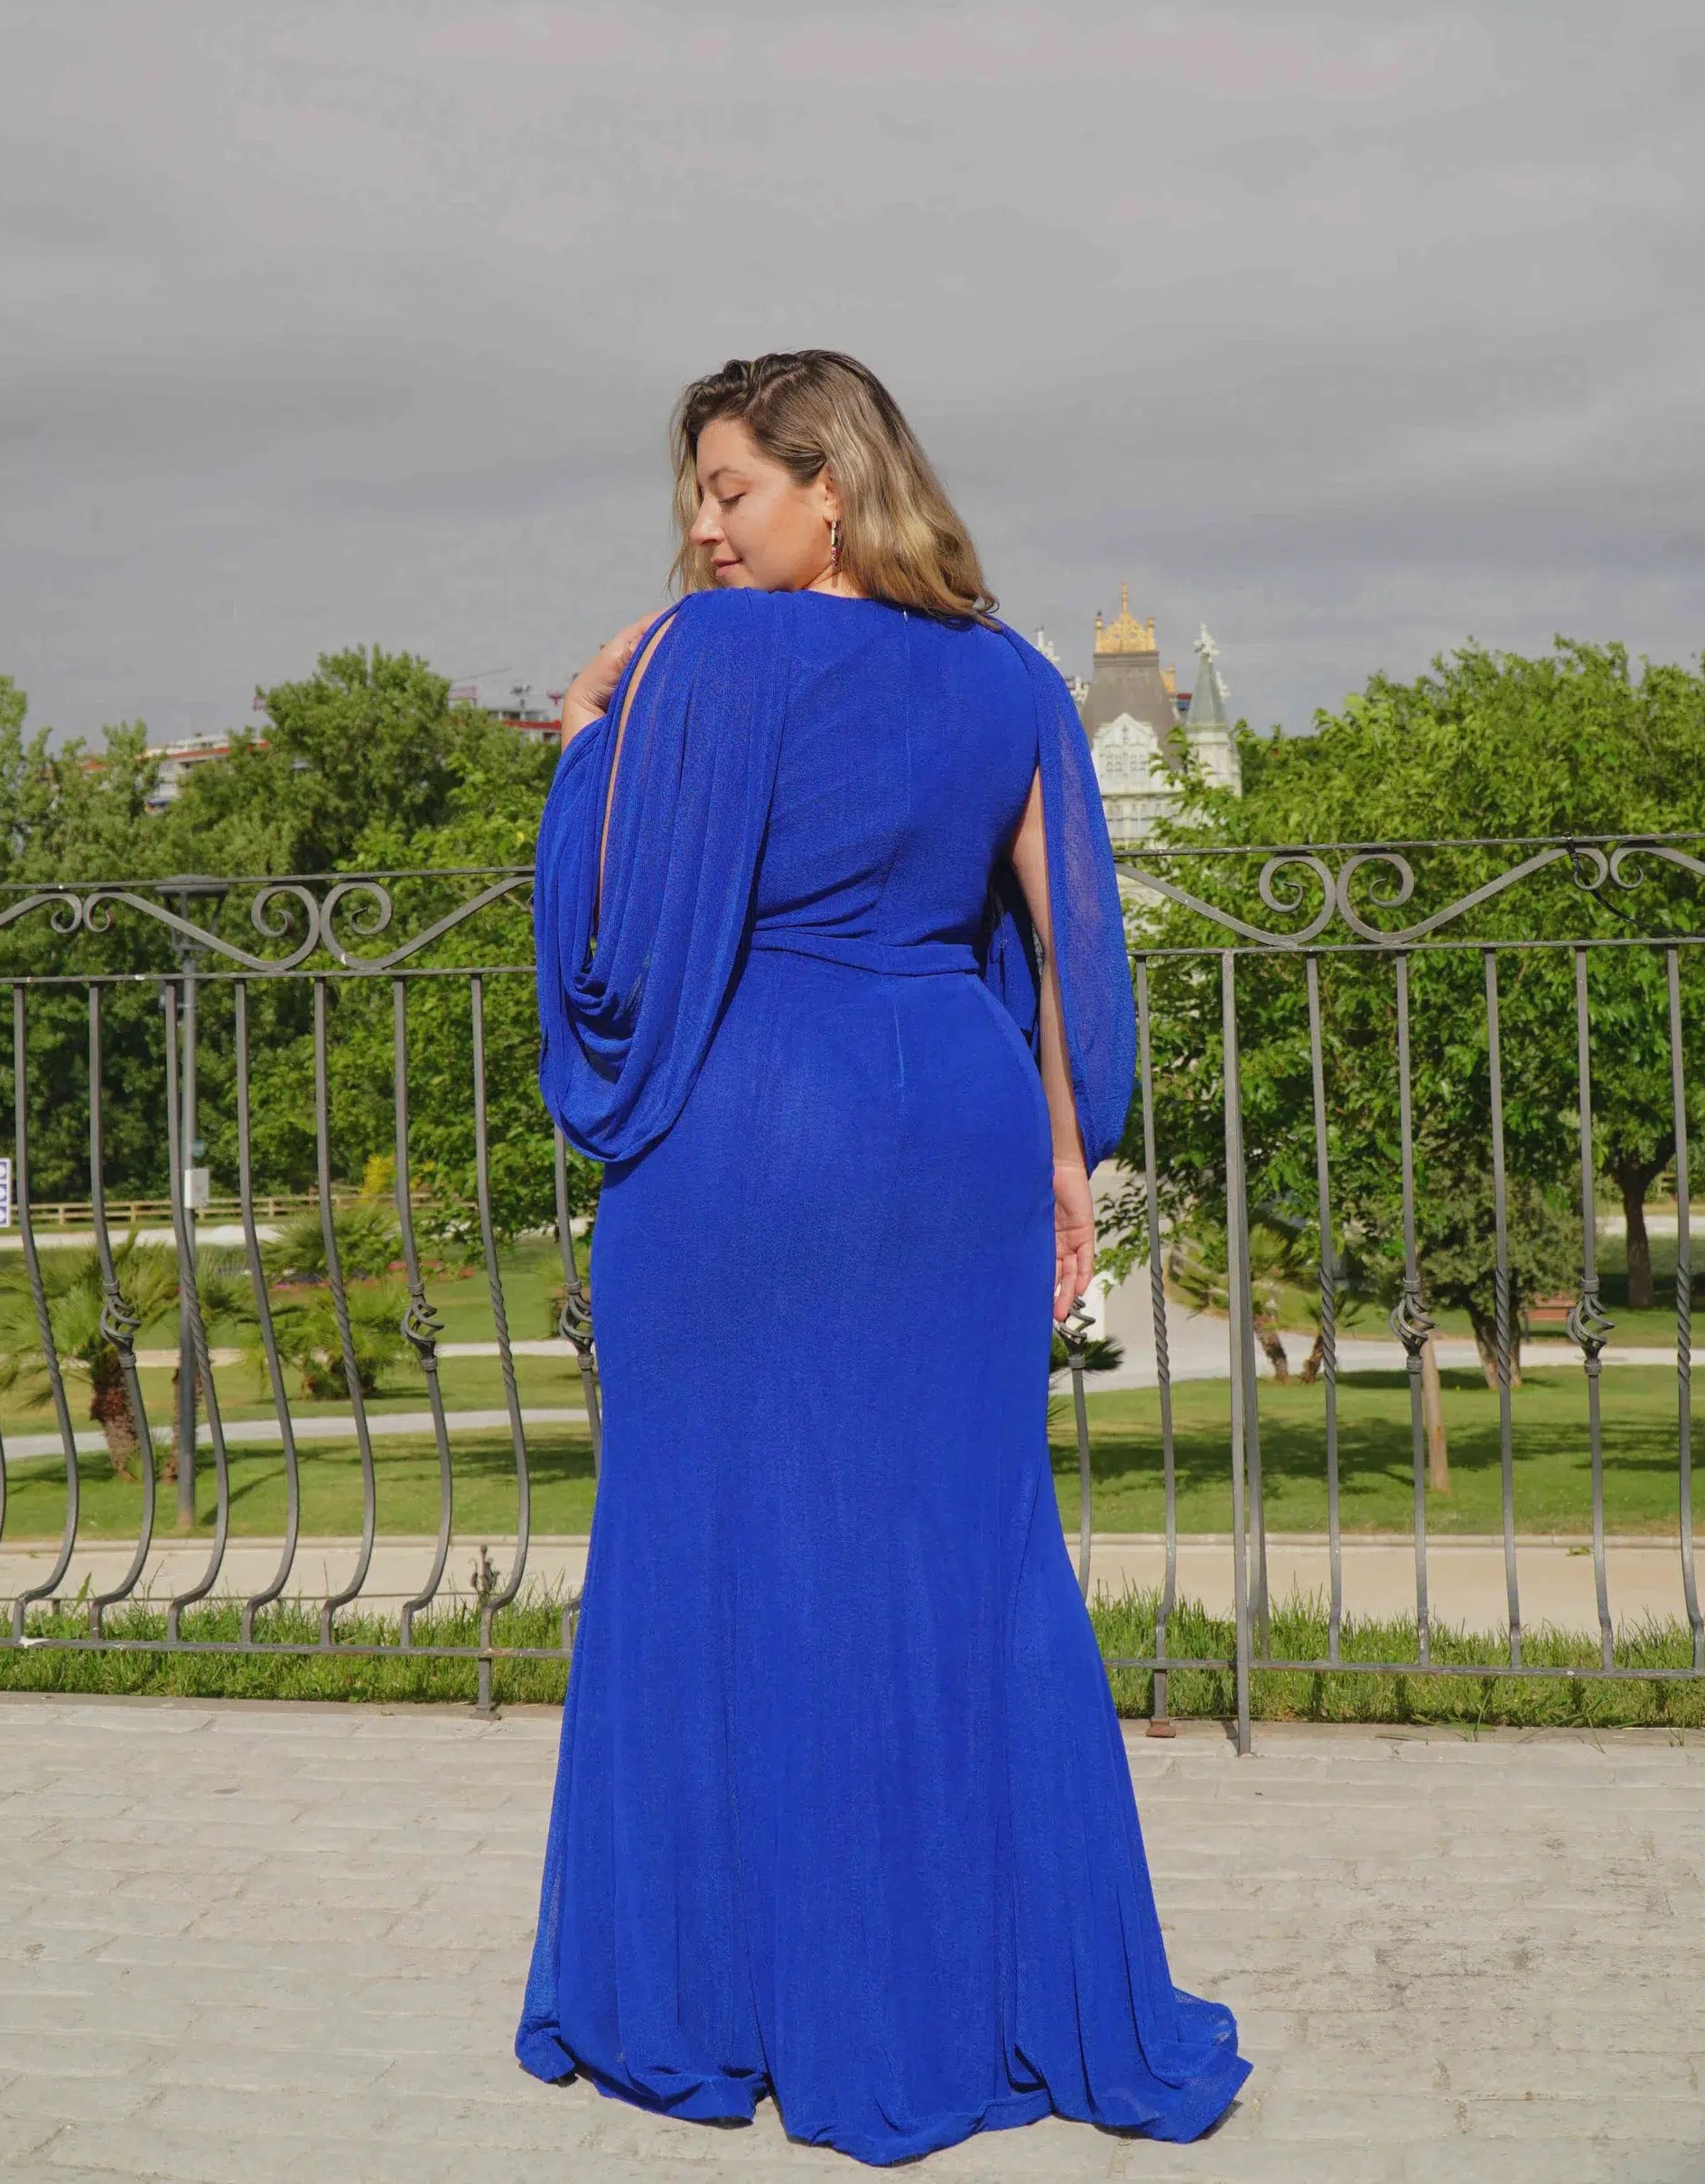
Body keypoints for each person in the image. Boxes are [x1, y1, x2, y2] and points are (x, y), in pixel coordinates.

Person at [515, 349, 1250, 2166]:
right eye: (696, 498)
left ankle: (715, 1996)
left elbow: (619, 935)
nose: (704, 529)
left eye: (730, 491)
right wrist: (1068, 1159)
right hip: (954, 1129)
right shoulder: (1010, 679)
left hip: (752, 1133)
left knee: (712, 1547)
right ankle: (980, 1987)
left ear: (828, 488)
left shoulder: (706, 655)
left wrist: (589, 736)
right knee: (959, 1557)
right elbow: (1072, 944)